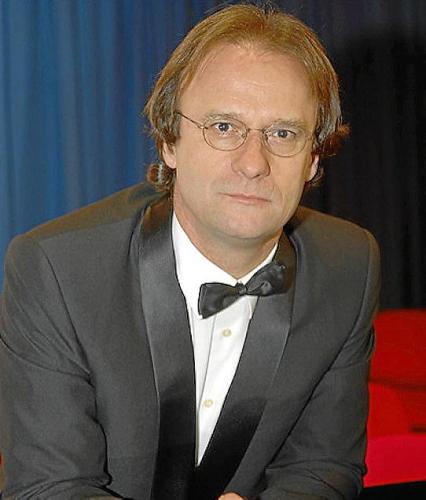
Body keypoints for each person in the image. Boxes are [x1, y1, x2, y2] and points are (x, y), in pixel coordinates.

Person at [0, 4, 380, 500]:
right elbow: (49, 487)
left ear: (312, 158)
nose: (253, 163)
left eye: (283, 133)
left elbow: (324, 468)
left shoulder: (349, 264)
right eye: (223, 127)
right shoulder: (56, 269)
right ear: (169, 142)